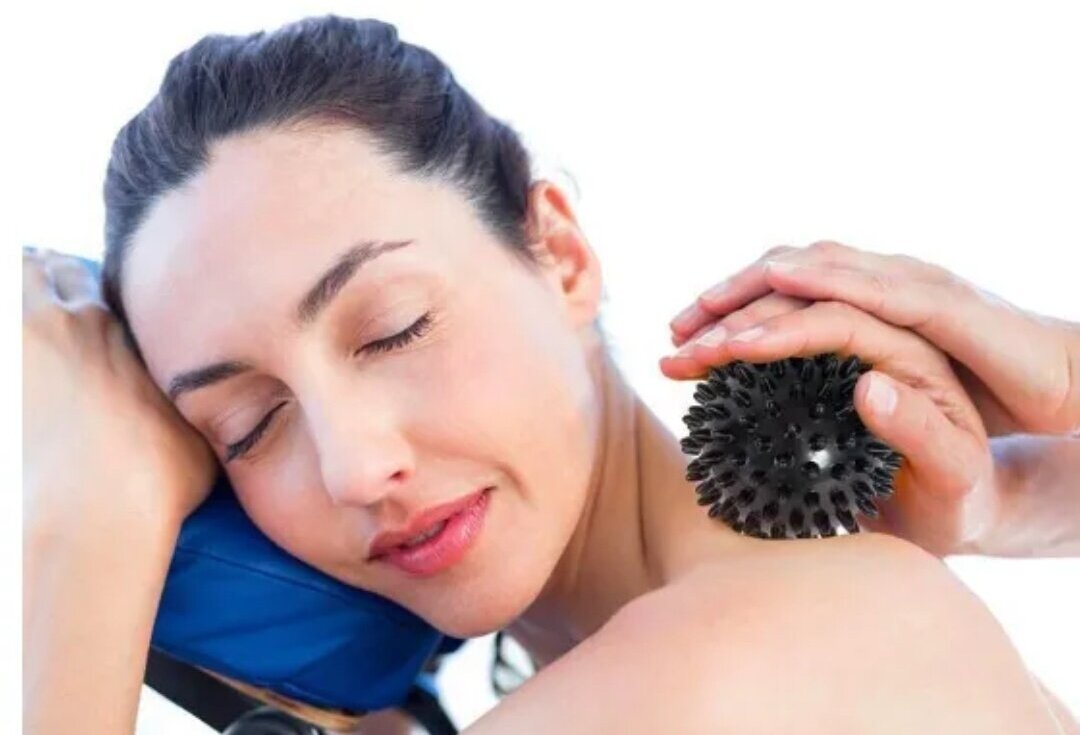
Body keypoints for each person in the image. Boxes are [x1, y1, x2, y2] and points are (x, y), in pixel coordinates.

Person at [22, 14, 1080, 734]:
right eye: (248, 426)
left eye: (392, 329)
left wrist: (97, 517)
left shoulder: (775, 640)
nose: (354, 466)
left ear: (560, 254)